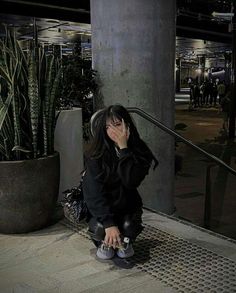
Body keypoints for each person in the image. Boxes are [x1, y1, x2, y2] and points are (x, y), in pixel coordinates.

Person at [82, 104, 158, 260]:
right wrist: (109, 224)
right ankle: (107, 242)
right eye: (107, 126)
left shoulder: (140, 151)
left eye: (117, 124)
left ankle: (124, 241)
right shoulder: (96, 153)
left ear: (127, 125)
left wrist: (124, 149)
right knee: (100, 228)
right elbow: (93, 192)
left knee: (128, 227)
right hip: (104, 208)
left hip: (128, 207)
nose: (113, 131)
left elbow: (130, 181)